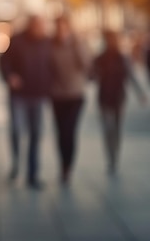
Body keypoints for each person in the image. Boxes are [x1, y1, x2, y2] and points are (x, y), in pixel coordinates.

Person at [0, 15, 52, 189]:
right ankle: (16, 163)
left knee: (36, 134)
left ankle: (33, 174)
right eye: (38, 25)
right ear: (30, 26)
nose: (41, 28)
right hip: (19, 95)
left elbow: (53, 65)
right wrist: (10, 77)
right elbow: (3, 62)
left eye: (42, 25)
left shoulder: (47, 42)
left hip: (38, 95)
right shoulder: (16, 40)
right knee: (16, 129)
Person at [92, 30, 145, 175]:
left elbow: (131, 75)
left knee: (116, 129)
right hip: (104, 99)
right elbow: (90, 75)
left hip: (118, 98)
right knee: (108, 129)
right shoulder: (99, 58)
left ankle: (115, 156)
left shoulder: (123, 58)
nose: (111, 42)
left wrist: (140, 93)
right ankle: (111, 157)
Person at [49, 15, 91, 185]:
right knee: (60, 133)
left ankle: (68, 166)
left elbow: (86, 64)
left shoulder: (77, 43)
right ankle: (63, 164)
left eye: (63, 27)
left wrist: (76, 44)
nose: (60, 30)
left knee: (69, 131)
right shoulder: (51, 45)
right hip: (57, 95)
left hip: (75, 95)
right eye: (58, 26)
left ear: (68, 27)